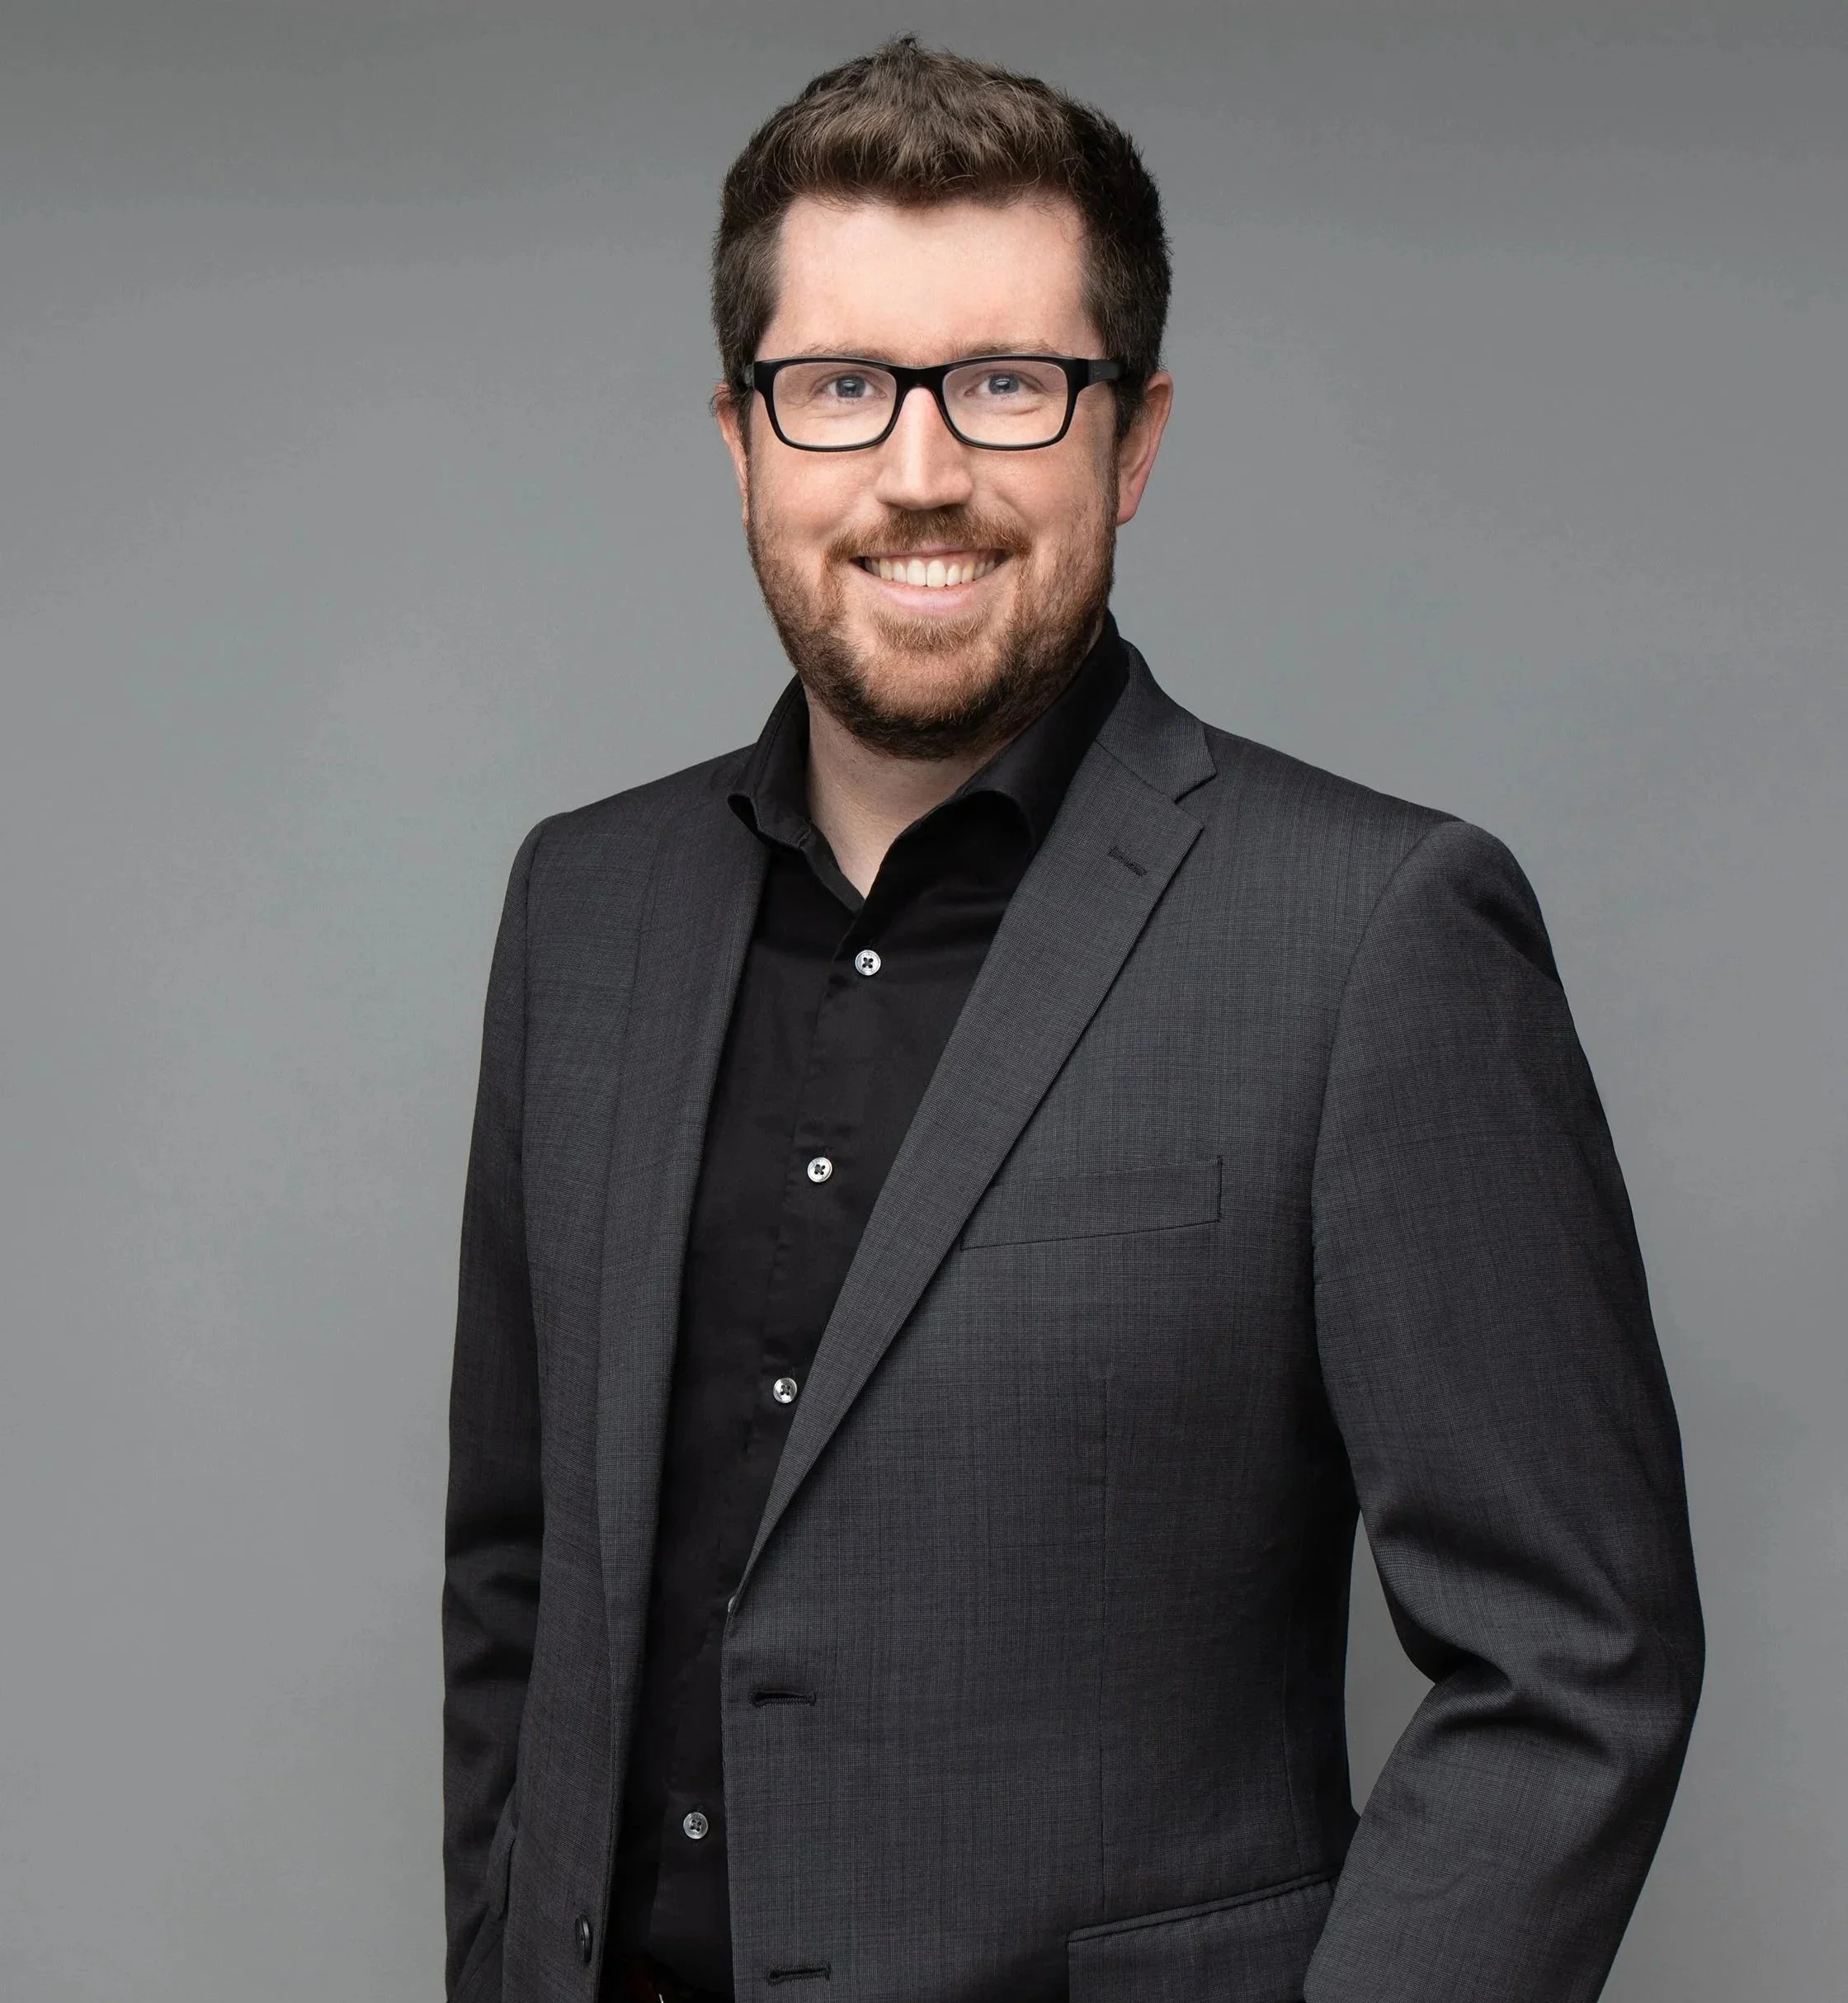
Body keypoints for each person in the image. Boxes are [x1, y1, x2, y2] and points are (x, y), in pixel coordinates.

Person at [441, 38, 1702, 2003]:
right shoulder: (581, 908)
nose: (920, 470)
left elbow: (1576, 1659)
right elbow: (518, 1583)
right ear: (740, 440)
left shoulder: (1375, 933)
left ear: (1134, 436)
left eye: (1008, 387)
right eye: (840, 389)